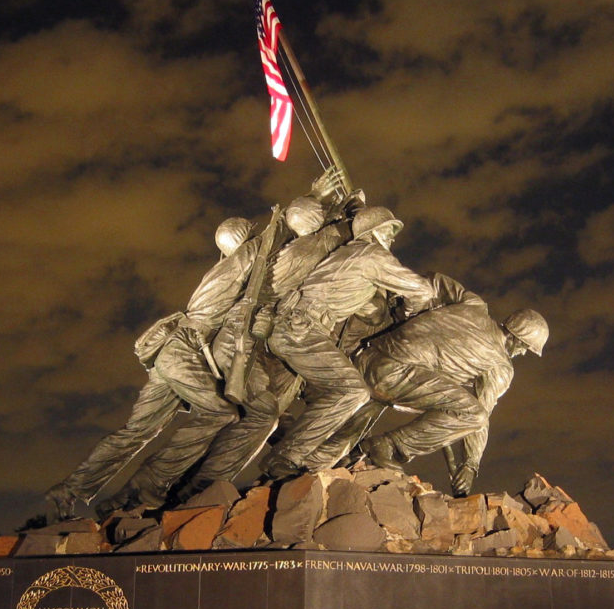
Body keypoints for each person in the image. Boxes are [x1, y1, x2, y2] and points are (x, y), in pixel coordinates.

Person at [92, 196, 347, 513]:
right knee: (253, 414)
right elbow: (297, 243)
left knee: (254, 417)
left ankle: (178, 489)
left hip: (235, 343)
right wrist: (340, 216)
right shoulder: (281, 253)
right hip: (231, 344)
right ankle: (194, 491)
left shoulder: (235, 262)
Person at [43, 217, 262, 519]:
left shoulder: (220, 268)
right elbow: (265, 247)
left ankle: (70, 489)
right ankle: (150, 484)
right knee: (221, 412)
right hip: (181, 352)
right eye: (250, 234)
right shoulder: (238, 263)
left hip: (170, 353)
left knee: (136, 432)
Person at [258, 206, 436, 480]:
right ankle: (284, 457)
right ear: (372, 232)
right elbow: (423, 289)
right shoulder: (371, 255)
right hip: (302, 329)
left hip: (299, 327)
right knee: (352, 391)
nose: (392, 238)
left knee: (334, 395)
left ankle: (307, 459)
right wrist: (410, 314)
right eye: (388, 231)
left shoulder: (346, 254)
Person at [339, 275, 547, 496]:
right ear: (517, 339)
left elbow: (435, 282)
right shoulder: (501, 366)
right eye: (525, 347)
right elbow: (480, 416)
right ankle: (388, 446)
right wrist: (470, 465)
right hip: (392, 376)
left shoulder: (474, 304)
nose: (523, 353)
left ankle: (341, 458)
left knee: (340, 441)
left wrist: (412, 312)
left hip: (367, 357)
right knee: (472, 414)